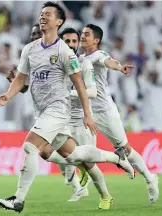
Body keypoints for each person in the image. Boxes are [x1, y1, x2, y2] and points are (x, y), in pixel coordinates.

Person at [0, 2, 134, 213]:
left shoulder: (64, 52)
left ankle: (18, 200)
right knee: (74, 155)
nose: (43, 17)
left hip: (58, 110)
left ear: (58, 21)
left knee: (30, 147)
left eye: (48, 14)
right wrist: (8, 94)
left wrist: (88, 115)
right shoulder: (29, 49)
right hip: (41, 111)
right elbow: (21, 78)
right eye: (41, 14)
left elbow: (79, 84)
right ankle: (116, 158)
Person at [7, 25, 118, 208]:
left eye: (74, 41)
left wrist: (87, 114)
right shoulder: (39, 57)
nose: (71, 44)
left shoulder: (81, 62)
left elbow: (90, 90)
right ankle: (89, 175)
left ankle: (105, 194)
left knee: (87, 162)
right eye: (68, 41)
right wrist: (16, 82)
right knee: (47, 152)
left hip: (78, 116)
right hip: (56, 116)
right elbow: (29, 85)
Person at [80, 23, 159, 204]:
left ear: (96, 40)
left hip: (105, 111)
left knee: (125, 148)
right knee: (80, 149)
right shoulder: (78, 58)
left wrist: (119, 67)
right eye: (82, 33)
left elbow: (110, 61)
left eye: (86, 34)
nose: (82, 36)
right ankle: (86, 184)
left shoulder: (99, 55)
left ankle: (149, 177)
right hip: (88, 112)